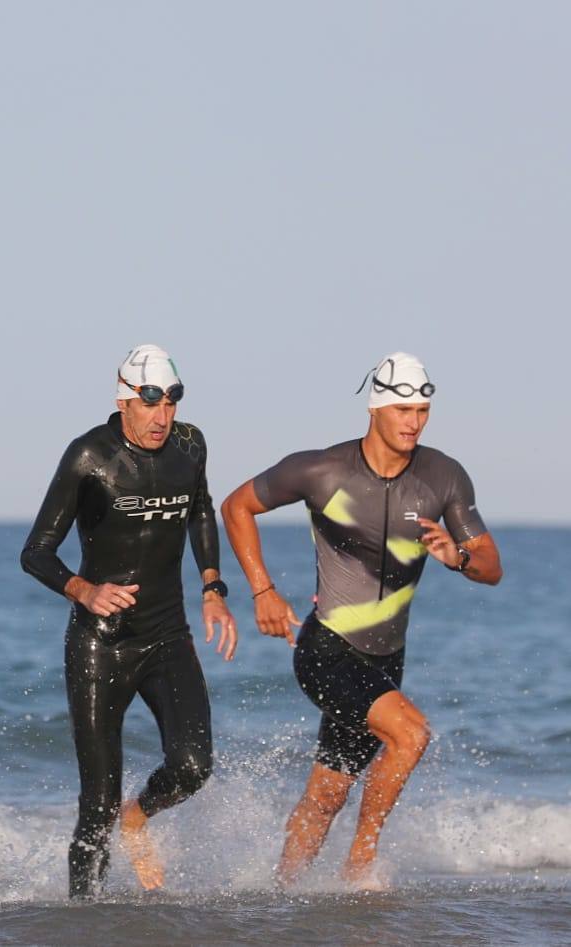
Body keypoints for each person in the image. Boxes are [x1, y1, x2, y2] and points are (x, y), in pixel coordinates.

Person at [220, 352, 502, 886]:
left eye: (422, 410)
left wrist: (458, 558)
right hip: (326, 649)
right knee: (411, 735)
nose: (414, 421)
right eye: (403, 409)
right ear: (376, 407)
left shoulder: (443, 477)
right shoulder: (321, 470)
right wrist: (262, 590)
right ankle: (360, 869)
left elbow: (492, 567)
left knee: (327, 796)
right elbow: (237, 507)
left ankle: (282, 895)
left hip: (385, 661)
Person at [21, 344, 236, 898]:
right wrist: (84, 590)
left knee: (192, 766)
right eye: (151, 402)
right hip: (101, 644)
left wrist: (213, 586)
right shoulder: (88, 456)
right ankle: (84, 917)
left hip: (167, 634)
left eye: (172, 401)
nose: (163, 416)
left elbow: (201, 509)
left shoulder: (191, 445)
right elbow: (36, 552)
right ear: (124, 399)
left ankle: (137, 816)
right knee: (95, 801)